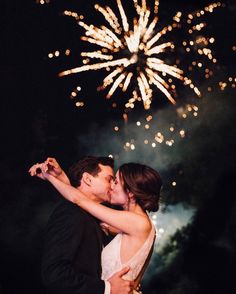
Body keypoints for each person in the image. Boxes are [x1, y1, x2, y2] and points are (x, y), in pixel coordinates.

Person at [30, 157, 162, 293]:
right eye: (109, 180)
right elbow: (83, 204)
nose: (111, 186)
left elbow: (80, 200)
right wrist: (61, 176)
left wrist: (50, 178)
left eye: (115, 181)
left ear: (131, 193)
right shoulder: (125, 223)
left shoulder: (137, 223)